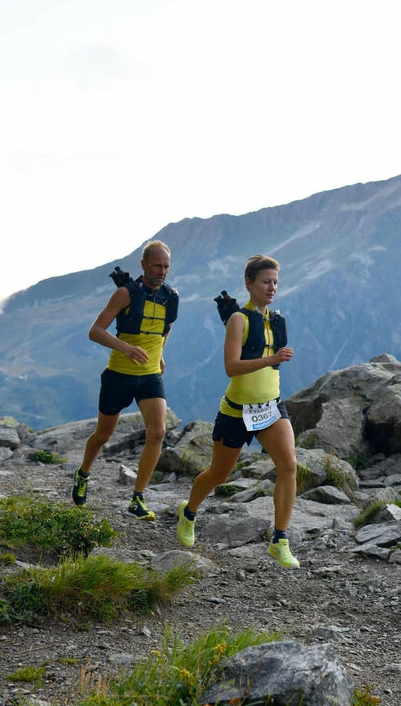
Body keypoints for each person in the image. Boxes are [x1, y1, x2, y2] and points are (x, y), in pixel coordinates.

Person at [176, 254, 299, 568]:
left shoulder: (277, 321)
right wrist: (271, 359)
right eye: (265, 281)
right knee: (219, 474)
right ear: (248, 283)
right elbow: (231, 367)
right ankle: (188, 513)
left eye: (275, 282)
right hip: (236, 411)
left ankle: (280, 539)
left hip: (270, 407)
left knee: (289, 465)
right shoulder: (238, 320)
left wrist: (274, 361)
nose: (272, 287)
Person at [72, 241, 178, 520]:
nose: (162, 272)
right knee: (103, 435)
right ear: (143, 264)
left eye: (166, 267)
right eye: (157, 266)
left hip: (150, 376)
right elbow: (95, 331)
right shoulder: (125, 293)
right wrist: (126, 348)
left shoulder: (171, 297)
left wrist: (160, 355)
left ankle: (138, 498)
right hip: (118, 375)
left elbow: (165, 329)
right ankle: (83, 473)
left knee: (157, 432)